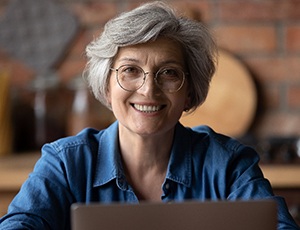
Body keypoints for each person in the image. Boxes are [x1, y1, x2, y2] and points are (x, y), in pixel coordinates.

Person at [0, 1, 299, 229]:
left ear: (190, 93)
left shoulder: (229, 164)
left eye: (168, 73)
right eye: (130, 70)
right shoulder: (65, 163)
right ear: (106, 85)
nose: (148, 90)